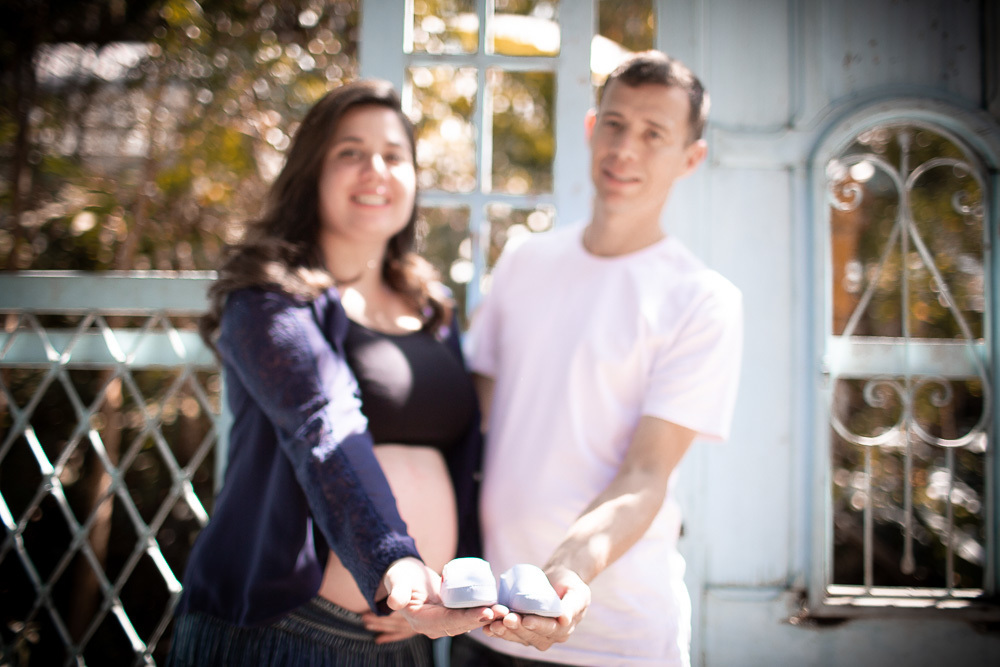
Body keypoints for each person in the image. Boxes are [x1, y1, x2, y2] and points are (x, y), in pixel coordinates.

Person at [167, 79, 499, 667]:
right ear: (311, 173)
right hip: (288, 632)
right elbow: (324, 429)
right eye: (350, 152)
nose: (376, 168)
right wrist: (395, 560)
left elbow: (466, 456)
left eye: (394, 156)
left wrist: (453, 580)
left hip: (405, 633)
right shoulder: (267, 300)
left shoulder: (431, 306)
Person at [452, 51, 744, 666]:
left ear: (691, 158)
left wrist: (565, 571)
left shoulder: (703, 300)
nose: (625, 149)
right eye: (614, 124)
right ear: (590, 128)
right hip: (485, 622)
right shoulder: (524, 262)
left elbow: (646, 474)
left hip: (616, 637)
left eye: (653, 134)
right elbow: (466, 425)